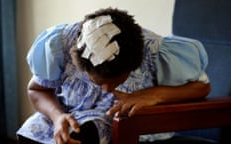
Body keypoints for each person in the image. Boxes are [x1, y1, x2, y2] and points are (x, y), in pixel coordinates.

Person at [16, 8, 211, 144]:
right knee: (33, 131)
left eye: (117, 81)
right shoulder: (59, 45)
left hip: (123, 125)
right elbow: (36, 88)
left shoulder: (157, 52)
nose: (108, 90)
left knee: (85, 133)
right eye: (98, 82)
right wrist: (57, 117)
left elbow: (202, 87)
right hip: (67, 113)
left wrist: (153, 94)